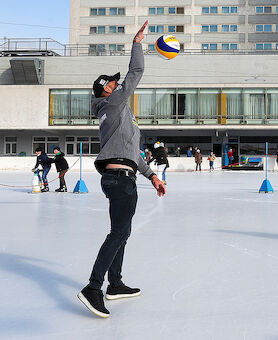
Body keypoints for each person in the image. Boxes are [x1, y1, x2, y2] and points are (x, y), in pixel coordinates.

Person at [78, 21, 166, 319]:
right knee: (118, 233)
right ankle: (93, 287)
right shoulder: (112, 104)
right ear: (106, 89)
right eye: (113, 83)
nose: (118, 85)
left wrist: (152, 176)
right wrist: (138, 43)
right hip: (118, 180)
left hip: (123, 177)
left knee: (123, 232)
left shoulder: (120, 117)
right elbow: (135, 74)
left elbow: (133, 155)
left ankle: (114, 285)